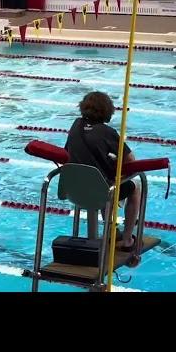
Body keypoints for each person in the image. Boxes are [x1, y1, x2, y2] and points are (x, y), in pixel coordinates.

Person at [64, 91, 141, 251]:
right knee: (135, 186)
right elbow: (131, 160)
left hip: (73, 190)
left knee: (104, 181)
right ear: (108, 111)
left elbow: (69, 153)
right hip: (101, 193)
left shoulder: (75, 125)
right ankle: (127, 239)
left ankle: (112, 230)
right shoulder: (107, 132)